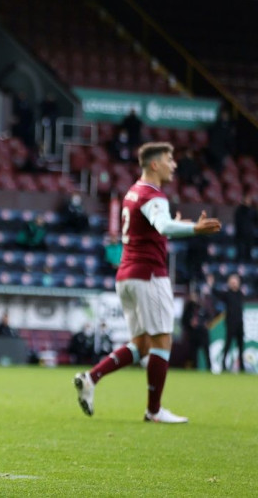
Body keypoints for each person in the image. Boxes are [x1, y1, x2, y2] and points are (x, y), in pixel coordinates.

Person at [73, 142, 221, 423]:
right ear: (155, 164)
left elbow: (155, 228)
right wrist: (194, 228)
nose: (174, 165)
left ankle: (91, 378)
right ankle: (154, 411)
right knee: (162, 339)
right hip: (149, 276)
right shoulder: (154, 195)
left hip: (127, 276)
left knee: (141, 344)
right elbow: (163, 226)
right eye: (170, 159)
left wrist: (168, 226)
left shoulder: (133, 192)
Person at [207, 273, 245, 372]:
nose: (234, 283)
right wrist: (211, 285)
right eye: (232, 281)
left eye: (235, 281)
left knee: (241, 346)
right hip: (230, 323)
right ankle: (223, 364)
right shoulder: (227, 294)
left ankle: (242, 366)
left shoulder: (240, 293)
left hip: (240, 324)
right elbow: (216, 293)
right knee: (227, 345)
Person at [181, 291, 212, 371]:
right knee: (193, 353)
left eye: (195, 297)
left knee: (206, 352)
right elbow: (184, 321)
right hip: (193, 333)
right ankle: (195, 368)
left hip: (203, 333)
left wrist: (206, 323)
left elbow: (209, 317)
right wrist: (190, 323)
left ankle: (209, 368)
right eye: (192, 297)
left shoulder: (202, 307)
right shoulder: (188, 309)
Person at [233, 194, 257, 262]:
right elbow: (237, 222)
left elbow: (256, 221)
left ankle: (248, 266)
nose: (248, 201)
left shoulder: (253, 210)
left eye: (249, 200)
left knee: (249, 252)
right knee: (240, 252)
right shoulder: (239, 210)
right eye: (246, 200)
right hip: (240, 235)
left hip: (250, 235)